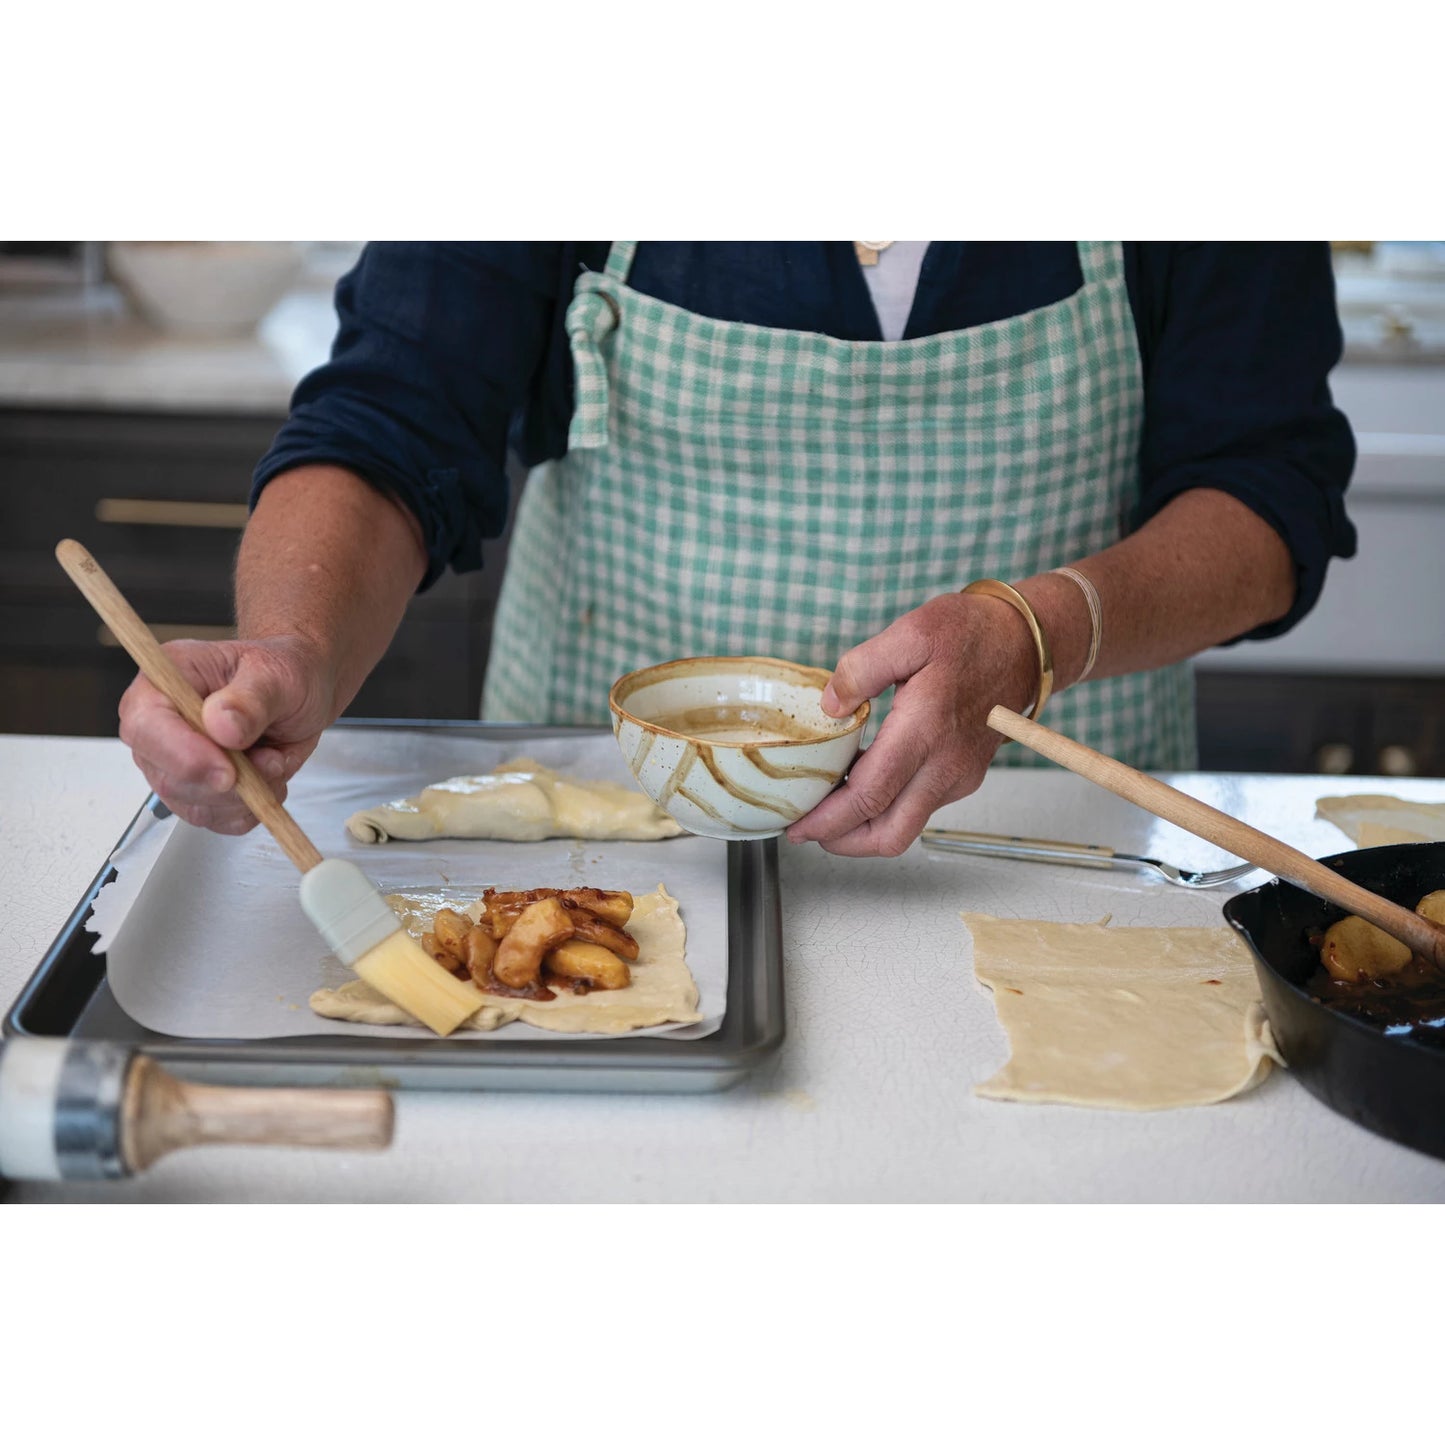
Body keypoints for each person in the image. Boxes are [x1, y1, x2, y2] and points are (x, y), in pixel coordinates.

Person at [118, 242, 1355, 856]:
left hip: (1041, 837)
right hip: (605, 831)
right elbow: (392, 421)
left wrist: (1037, 633)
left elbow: (1267, 490)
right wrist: (293, 646)